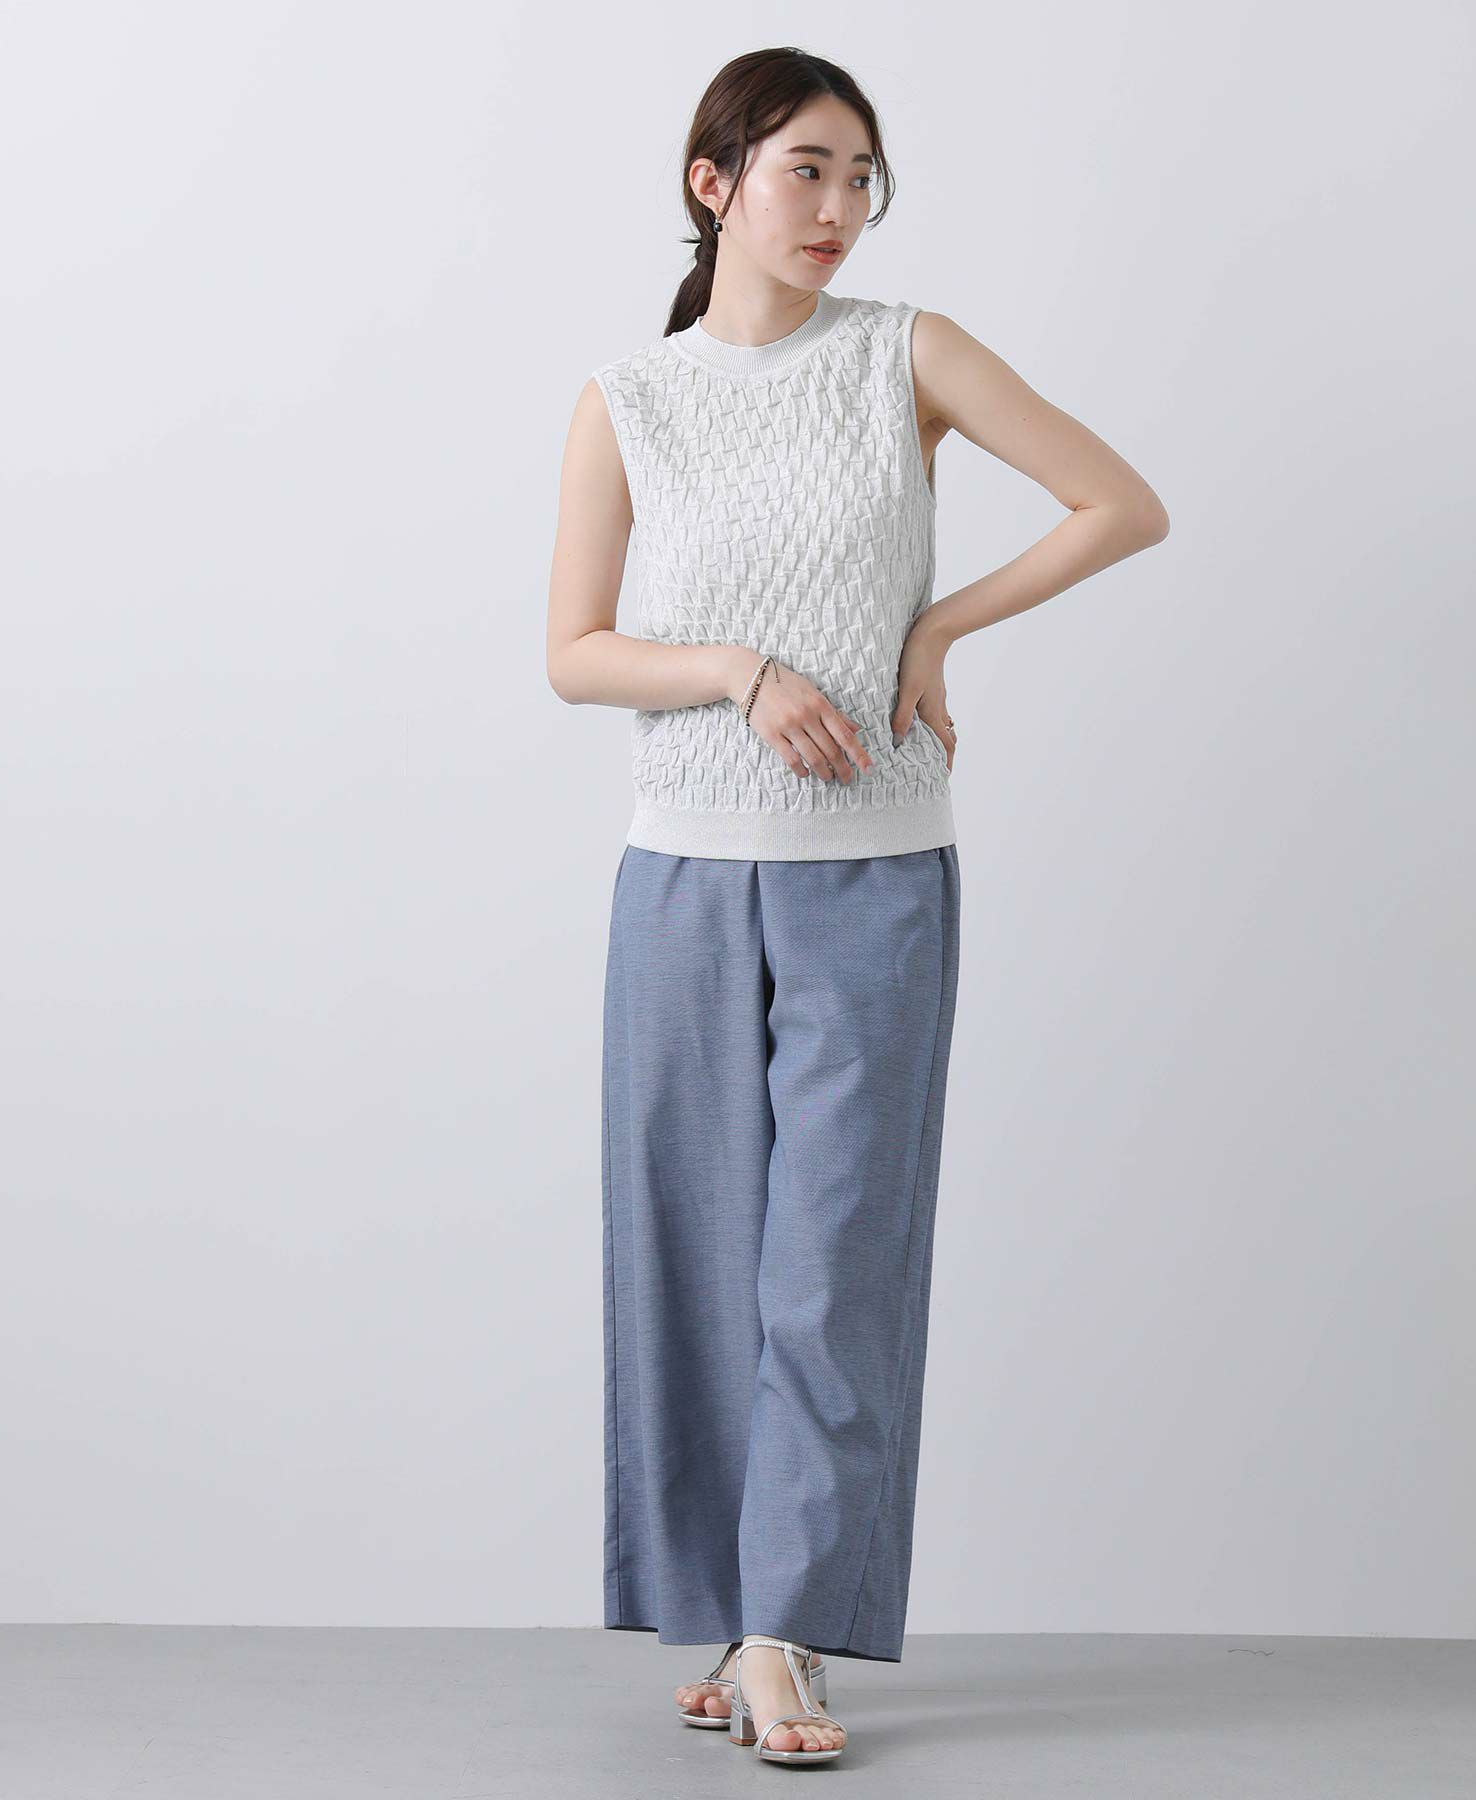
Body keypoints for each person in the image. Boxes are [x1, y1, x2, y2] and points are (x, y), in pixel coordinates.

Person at [546, 46, 1168, 1769]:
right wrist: (735, 671)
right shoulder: (629, 397)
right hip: (681, 878)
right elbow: (573, 653)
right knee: (691, 1263)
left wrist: (939, 626)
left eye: (860, 177)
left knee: (832, 1269)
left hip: (877, 875)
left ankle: (782, 1635)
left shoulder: (909, 353)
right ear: (715, 182)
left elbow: (1122, 504)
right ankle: (733, 1612)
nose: (838, 207)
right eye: (805, 169)